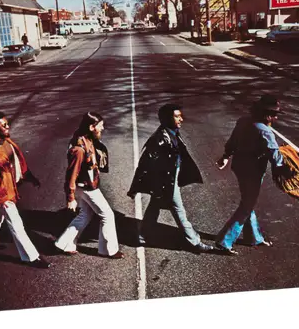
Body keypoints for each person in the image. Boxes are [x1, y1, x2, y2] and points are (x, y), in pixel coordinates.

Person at [128, 104, 214, 253]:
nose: (181, 119)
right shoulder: (159, 140)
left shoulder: (173, 133)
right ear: (167, 119)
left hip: (169, 177)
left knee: (154, 205)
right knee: (179, 210)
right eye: (177, 116)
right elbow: (144, 165)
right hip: (166, 181)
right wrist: (134, 188)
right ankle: (194, 242)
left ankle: (142, 235)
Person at [0, 111, 51, 268]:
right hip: (2, 195)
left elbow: (18, 161)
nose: (8, 126)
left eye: (7, 123)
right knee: (16, 224)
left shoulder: (7, 142)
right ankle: (31, 257)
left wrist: (29, 176)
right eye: (3, 125)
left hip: (11, 188)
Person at [214, 95, 285, 254]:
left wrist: (225, 156)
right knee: (246, 206)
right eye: (274, 114)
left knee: (248, 202)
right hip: (253, 171)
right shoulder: (265, 131)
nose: (276, 117)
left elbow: (233, 141)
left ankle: (254, 237)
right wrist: (283, 170)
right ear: (266, 114)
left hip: (239, 167)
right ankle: (224, 241)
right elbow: (275, 155)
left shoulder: (243, 121)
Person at [55, 112, 124, 259]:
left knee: (85, 214)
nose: (103, 128)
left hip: (88, 184)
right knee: (107, 215)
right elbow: (71, 175)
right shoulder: (79, 149)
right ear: (92, 127)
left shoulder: (87, 138)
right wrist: (70, 197)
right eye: (100, 126)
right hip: (86, 187)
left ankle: (65, 243)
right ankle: (108, 250)